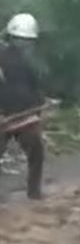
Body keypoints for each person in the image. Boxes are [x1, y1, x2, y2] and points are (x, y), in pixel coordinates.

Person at [0, 13, 45, 200]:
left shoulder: (28, 63)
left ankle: (34, 192)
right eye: (21, 40)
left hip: (24, 116)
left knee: (36, 153)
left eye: (27, 41)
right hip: (3, 116)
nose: (25, 44)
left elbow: (31, 87)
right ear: (12, 38)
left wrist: (39, 103)